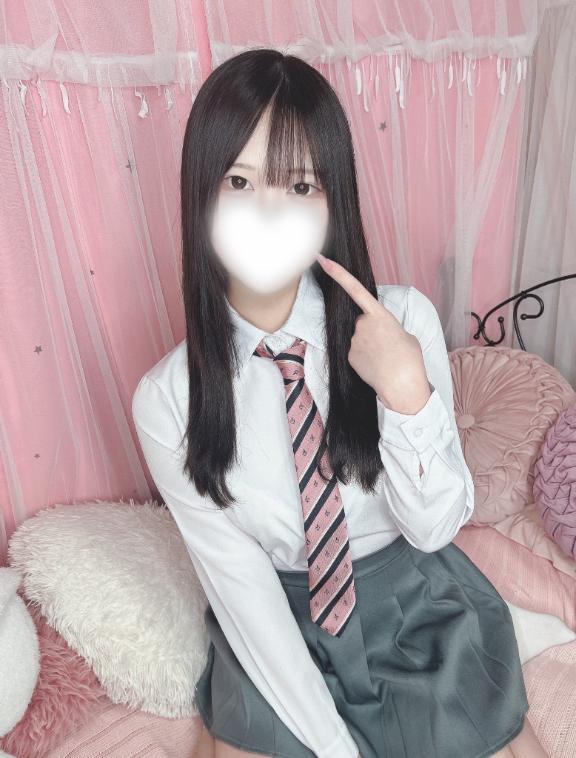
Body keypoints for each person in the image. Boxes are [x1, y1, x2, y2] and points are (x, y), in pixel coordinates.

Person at [131, 49, 547, 758]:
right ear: (202, 193)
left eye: (300, 185)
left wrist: (408, 394)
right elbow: (241, 588)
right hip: (278, 624)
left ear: (332, 201)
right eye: (240, 181)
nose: (269, 214)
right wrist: (332, 745)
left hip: (411, 597)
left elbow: (436, 526)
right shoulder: (167, 399)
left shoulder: (401, 320)